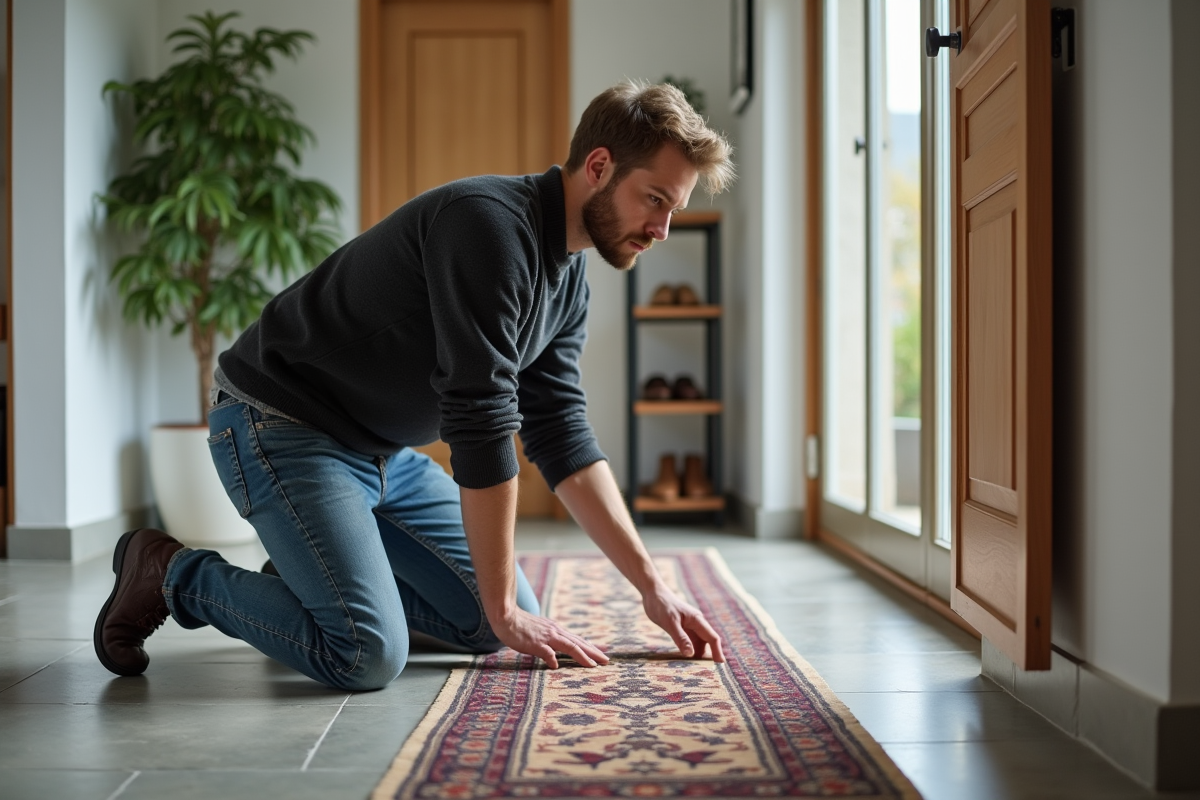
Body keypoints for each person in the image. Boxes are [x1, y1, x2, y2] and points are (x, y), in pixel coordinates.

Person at [94, 81, 736, 690]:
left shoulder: (567, 282)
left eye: (674, 211)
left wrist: (652, 585)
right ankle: (173, 574)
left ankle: (310, 582)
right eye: (655, 200)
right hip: (281, 425)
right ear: (599, 166)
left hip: (381, 454)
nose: (662, 230)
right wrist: (505, 608)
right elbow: (482, 422)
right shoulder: (488, 225)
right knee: (366, 654)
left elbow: (560, 432)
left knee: (493, 620)